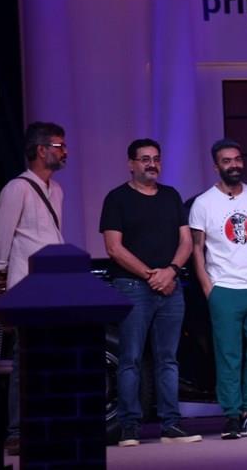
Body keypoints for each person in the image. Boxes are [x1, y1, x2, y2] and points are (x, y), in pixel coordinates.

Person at [100, 138, 201, 446]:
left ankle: (171, 425)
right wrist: (149, 275)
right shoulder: (117, 198)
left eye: (156, 158)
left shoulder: (171, 196)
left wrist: (170, 271)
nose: (152, 164)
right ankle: (129, 427)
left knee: (168, 359)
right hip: (132, 287)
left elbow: (186, 242)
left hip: (170, 287)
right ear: (131, 164)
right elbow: (114, 248)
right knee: (130, 358)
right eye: (145, 159)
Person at [0, 122, 67, 456]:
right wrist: (1, 279)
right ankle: (17, 430)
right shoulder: (17, 188)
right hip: (26, 287)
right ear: (41, 149)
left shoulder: (56, 190)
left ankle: (49, 424)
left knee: (52, 359)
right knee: (26, 360)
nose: (64, 152)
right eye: (59, 146)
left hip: (53, 286)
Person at [189, 139, 247, 440]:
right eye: (227, 161)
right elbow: (197, 249)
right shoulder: (204, 203)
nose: (234, 165)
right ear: (216, 166)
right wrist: (208, 287)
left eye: (238, 159)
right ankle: (231, 417)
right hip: (224, 289)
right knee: (229, 355)